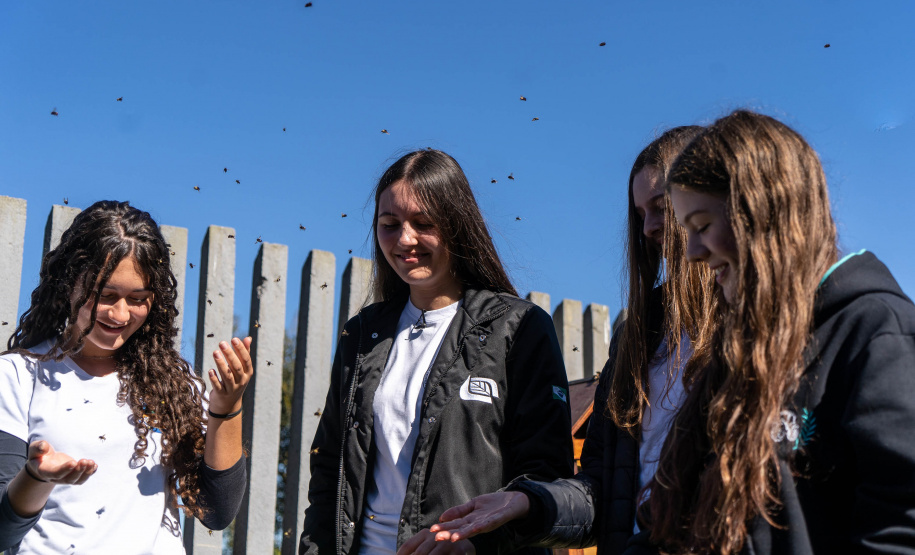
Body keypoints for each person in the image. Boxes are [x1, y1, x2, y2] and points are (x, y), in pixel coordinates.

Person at [418, 127, 717, 554]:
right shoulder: (635, 338)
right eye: (640, 214)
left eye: (661, 206)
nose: (650, 227)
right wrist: (528, 504)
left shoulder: (763, 326)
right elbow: (601, 493)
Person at [636, 109, 915, 553]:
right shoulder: (735, 353)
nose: (691, 253)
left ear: (762, 211)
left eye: (702, 226)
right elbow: (667, 521)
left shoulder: (876, 333)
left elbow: (898, 529)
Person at [299, 149, 574, 555]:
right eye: (389, 225)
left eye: (424, 223)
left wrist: (474, 544)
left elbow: (545, 478)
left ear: (458, 225)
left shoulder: (520, 328)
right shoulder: (361, 334)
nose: (404, 239)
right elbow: (328, 470)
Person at [0, 201, 250, 553]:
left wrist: (227, 407)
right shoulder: (17, 376)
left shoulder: (175, 387)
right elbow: (3, 531)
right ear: (69, 283)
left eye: (137, 298)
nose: (119, 314)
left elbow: (217, 512)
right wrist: (37, 477)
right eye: (105, 295)